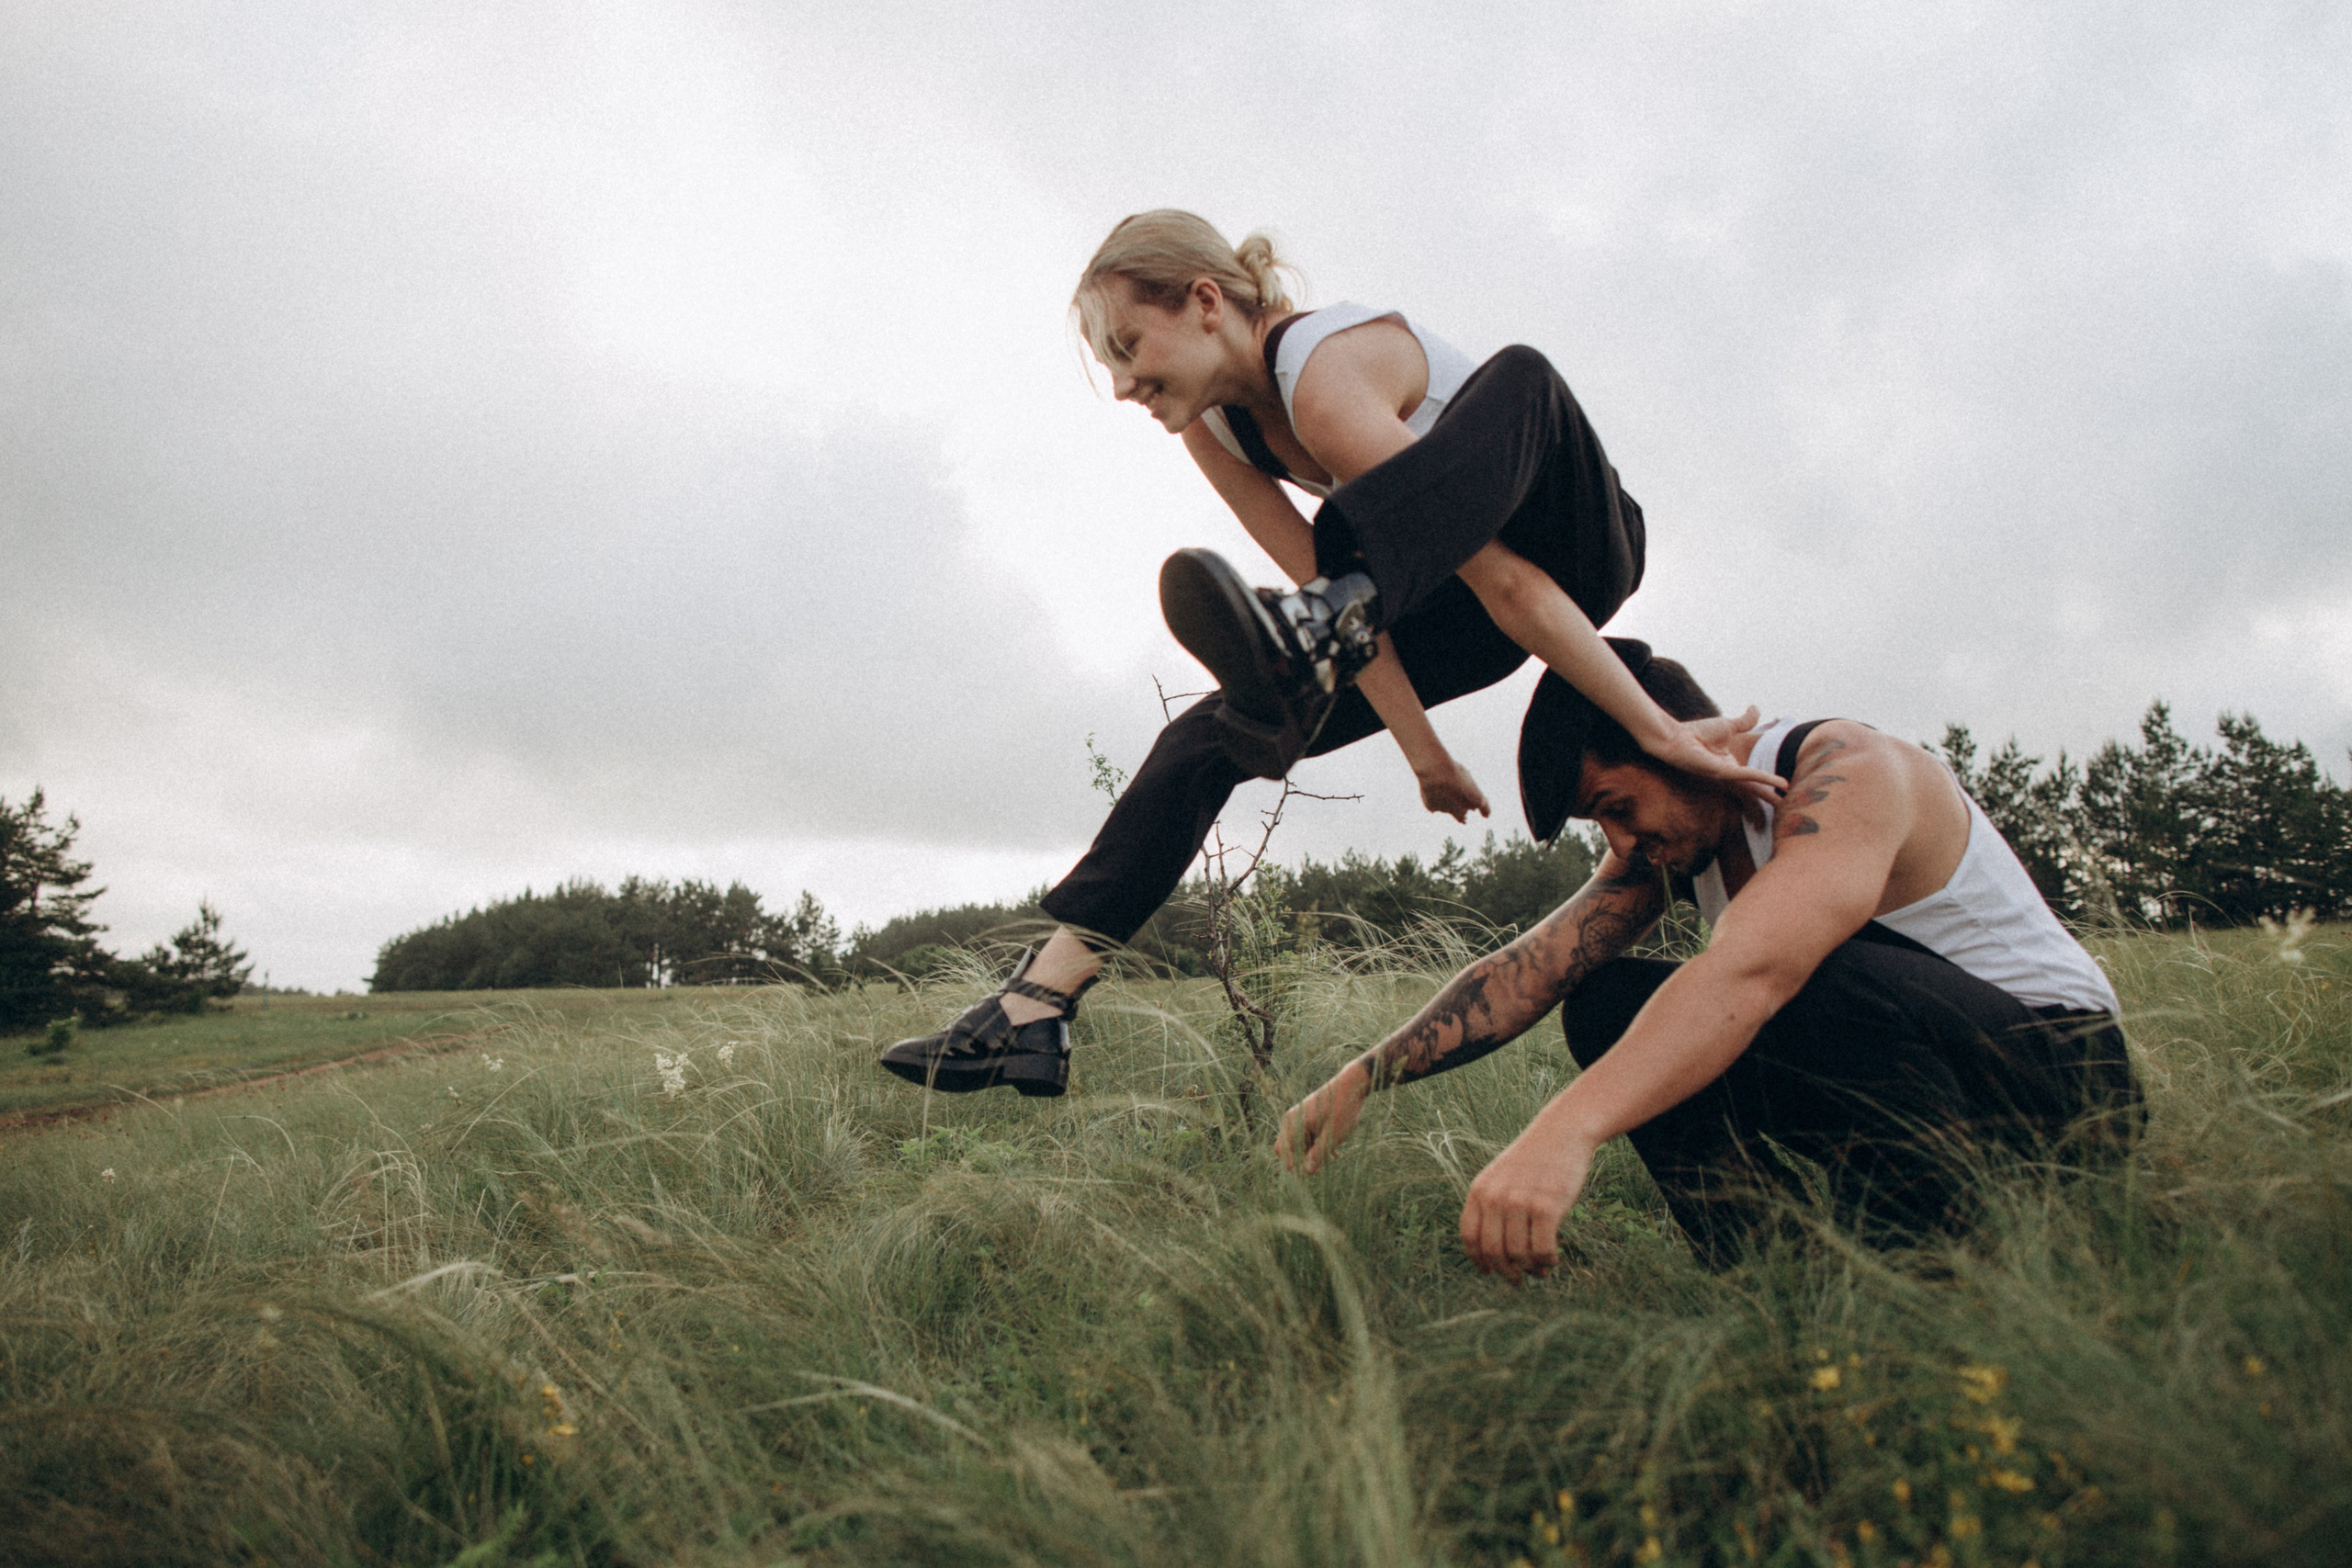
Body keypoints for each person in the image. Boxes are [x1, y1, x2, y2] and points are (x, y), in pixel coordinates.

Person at [881, 211, 1781, 1098]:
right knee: (1214, 732)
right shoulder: (1212, 427)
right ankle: (1036, 1005)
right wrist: (1422, 753)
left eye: (1128, 346)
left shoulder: (1325, 370)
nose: (1123, 383)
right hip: (1425, 603)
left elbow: (1513, 586)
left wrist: (1653, 728)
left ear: (1204, 300)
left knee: (1522, 377)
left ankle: (1317, 625)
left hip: (1574, 545)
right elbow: (1338, 593)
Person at [1278, 642, 2144, 1275]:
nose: (1622, 841)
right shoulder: (1678, 848)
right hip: (1923, 1062)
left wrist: (1565, 1131)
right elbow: (1528, 972)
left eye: (1619, 805)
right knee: (1606, 1000)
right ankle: (1775, 1271)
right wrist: (1366, 1073)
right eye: (1602, 825)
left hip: (2065, 1074)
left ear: (1679, 744)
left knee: (1798, 965)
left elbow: (1756, 973)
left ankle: (1938, 1266)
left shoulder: (1846, 769)